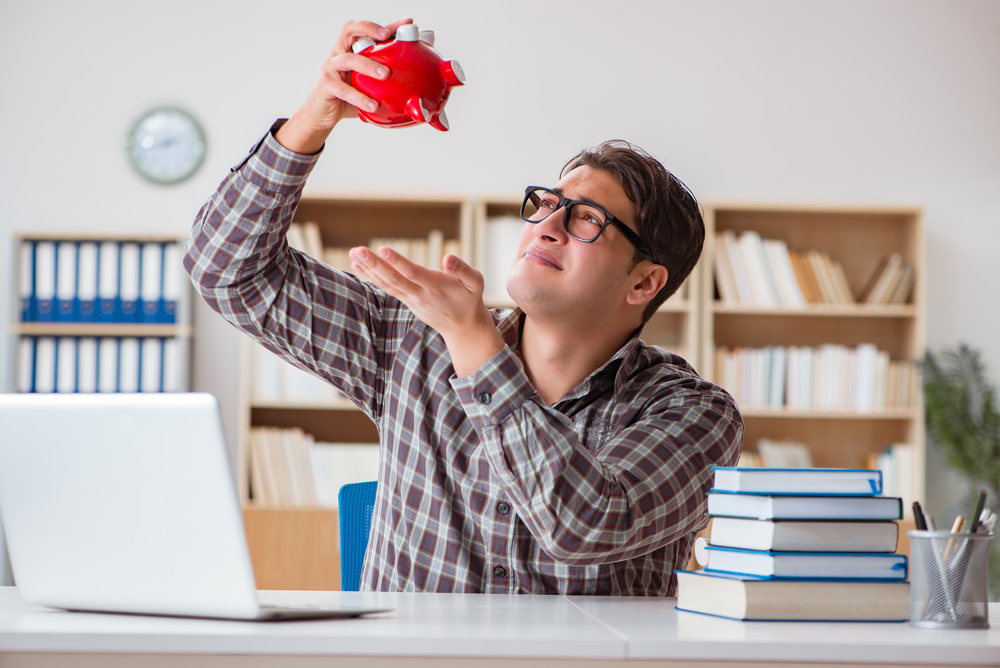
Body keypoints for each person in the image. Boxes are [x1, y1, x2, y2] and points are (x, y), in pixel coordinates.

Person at [184, 18, 742, 596]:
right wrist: (311, 121)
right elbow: (224, 269)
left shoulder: (693, 415)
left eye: (585, 219)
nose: (546, 225)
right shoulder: (415, 341)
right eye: (548, 204)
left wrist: (476, 347)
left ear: (645, 283)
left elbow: (585, 524)